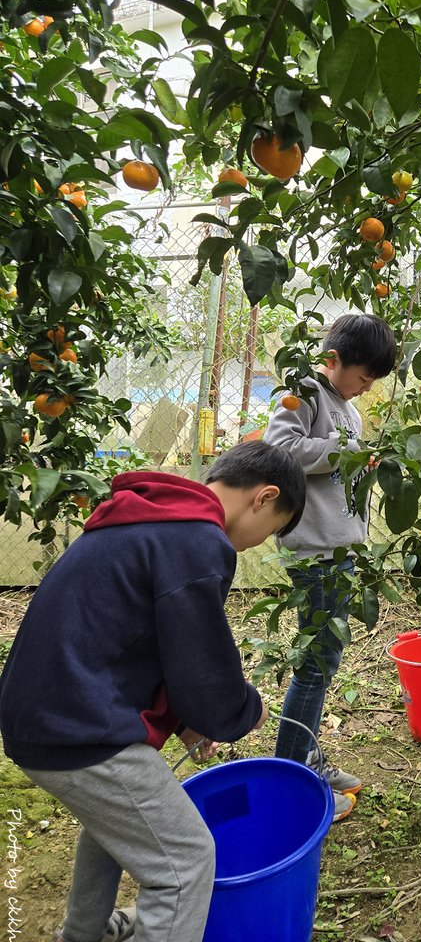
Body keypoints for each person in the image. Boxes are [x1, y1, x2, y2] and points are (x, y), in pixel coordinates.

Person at [0, 441, 305, 942]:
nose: (255, 544)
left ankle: (84, 932)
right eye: (270, 531)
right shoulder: (197, 540)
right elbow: (203, 663)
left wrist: (186, 721)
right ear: (264, 497)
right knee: (185, 862)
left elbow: (149, 638)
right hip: (77, 726)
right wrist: (240, 711)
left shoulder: (152, 517)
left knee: (118, 819)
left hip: (46, 710)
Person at [264, 312, 396, 822]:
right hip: (314, 552)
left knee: (324, 662)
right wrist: (350, 450)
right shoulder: (304, 391)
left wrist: (366, 459)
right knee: (316, 665)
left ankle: (306, 758)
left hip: (340, 552)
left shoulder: (347, 410)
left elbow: (342, 465)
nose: (366, 389)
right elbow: (282, 451)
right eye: (363, 378)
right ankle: (291, 777)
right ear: (333, 359)